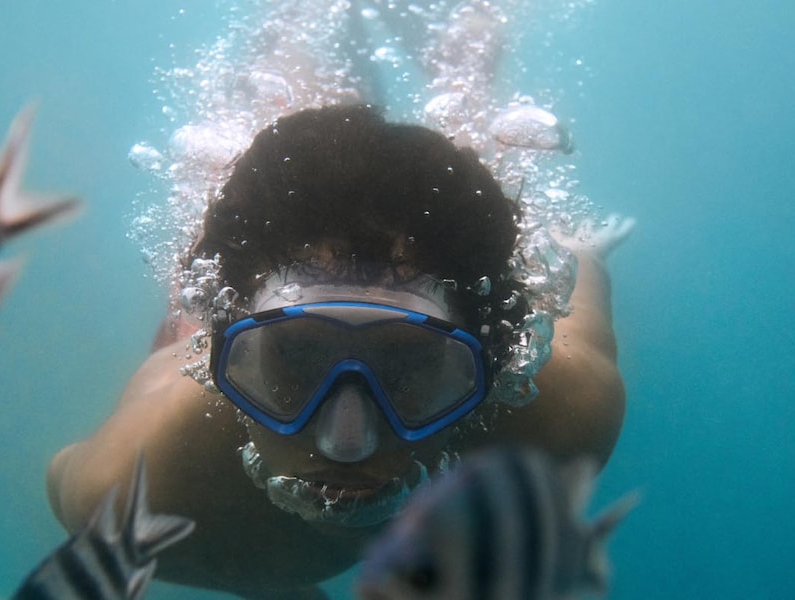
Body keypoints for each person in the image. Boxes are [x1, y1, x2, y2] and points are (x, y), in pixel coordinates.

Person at [46, 2, 630, 598]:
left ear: (499, 367)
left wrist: (576, 247)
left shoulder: (565, 414)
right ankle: (302, 19)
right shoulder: (135, 490)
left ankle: (461, 64)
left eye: (408, 366)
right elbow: (62, 474)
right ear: (216, 363)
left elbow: (575, 267)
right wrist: (266, 580)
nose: (344, 445)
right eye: (295, 360)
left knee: (485, 169)